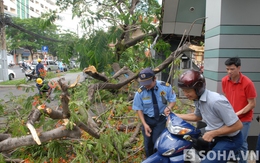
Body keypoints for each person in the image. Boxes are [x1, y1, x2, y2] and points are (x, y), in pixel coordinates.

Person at [175, 69, 243, 163]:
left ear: (198, 88)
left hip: (230, 140)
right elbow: (197, 116)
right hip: (216, 137)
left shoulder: (216, 101)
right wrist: (175, 115)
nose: (186, 94)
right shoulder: (198, 99)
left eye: (188, 91)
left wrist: (212, 133)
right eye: (183, 91)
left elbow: (238, 125)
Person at [132, 67, 176, 157]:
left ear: (154, 79)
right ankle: (149, 159)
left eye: (148, 84)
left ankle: (158, 159)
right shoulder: (140, 93)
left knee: (157, 141)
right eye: (144, 84)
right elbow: (138, 109)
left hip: (160, 119)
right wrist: (144, 124)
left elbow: (172, 100)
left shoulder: (166, 87)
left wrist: (169, 107)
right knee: (148, 143)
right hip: (147, 119)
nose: (146, 86)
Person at [222, 57, 257, 163]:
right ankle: (236, 158)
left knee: (242, 143)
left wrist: (236, 114)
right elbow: (226, 97)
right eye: (227, 69)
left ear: (239, 68)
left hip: (244, 119)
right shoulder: (224, 80)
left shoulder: (248, 83)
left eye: (232, 69)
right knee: (231, 140)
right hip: (230, 117)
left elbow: (252, 104)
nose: (229, 72)